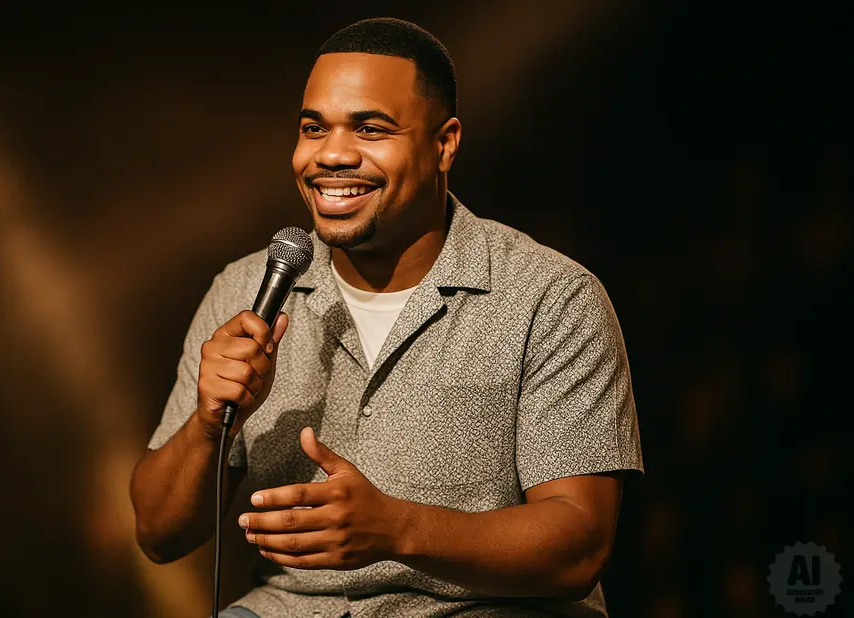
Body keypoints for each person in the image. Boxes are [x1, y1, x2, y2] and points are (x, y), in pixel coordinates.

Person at [130, 17, 643, 618]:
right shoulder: (247, 289)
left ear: (445, 143)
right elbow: (157, 532)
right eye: (313, 128)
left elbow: (579, 545)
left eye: (371, 128)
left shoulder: (550, 297)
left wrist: (396, 528)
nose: (334, 154)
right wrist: (208, 423)